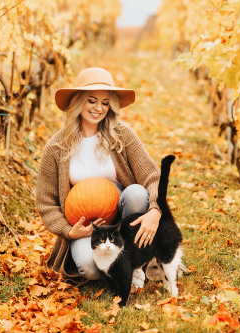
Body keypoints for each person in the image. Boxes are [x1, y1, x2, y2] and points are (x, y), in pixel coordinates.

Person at [36, 67, 162, 287]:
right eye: (91, 101)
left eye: (105, 103)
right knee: (90, 269)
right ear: (78, 102)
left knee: (136, 193)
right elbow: (46, 203)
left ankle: (134, 265)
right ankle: (113, 266)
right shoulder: (56, 147)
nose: (98, 108)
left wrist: (155, 210)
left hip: (124, 219)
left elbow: (152, 175)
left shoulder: (122, 135)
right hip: (87, 229)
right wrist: (69, 231)